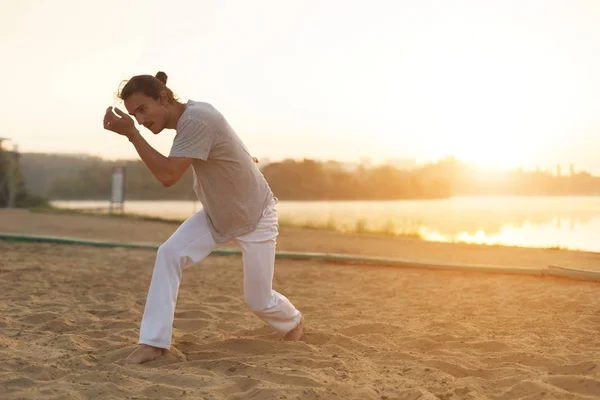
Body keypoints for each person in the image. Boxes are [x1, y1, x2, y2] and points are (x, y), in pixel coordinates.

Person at [102, 71, 304, 364]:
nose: (141, 121)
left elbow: (169, 175)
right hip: (216, 214)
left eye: (143, 110)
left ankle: (293, 321)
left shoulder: (196, 119)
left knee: (258, 300)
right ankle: (154, 343)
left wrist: (131, 134)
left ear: (164, 98)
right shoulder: (192, 118)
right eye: (135, 115)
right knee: (169, 254)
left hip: (254, 215)